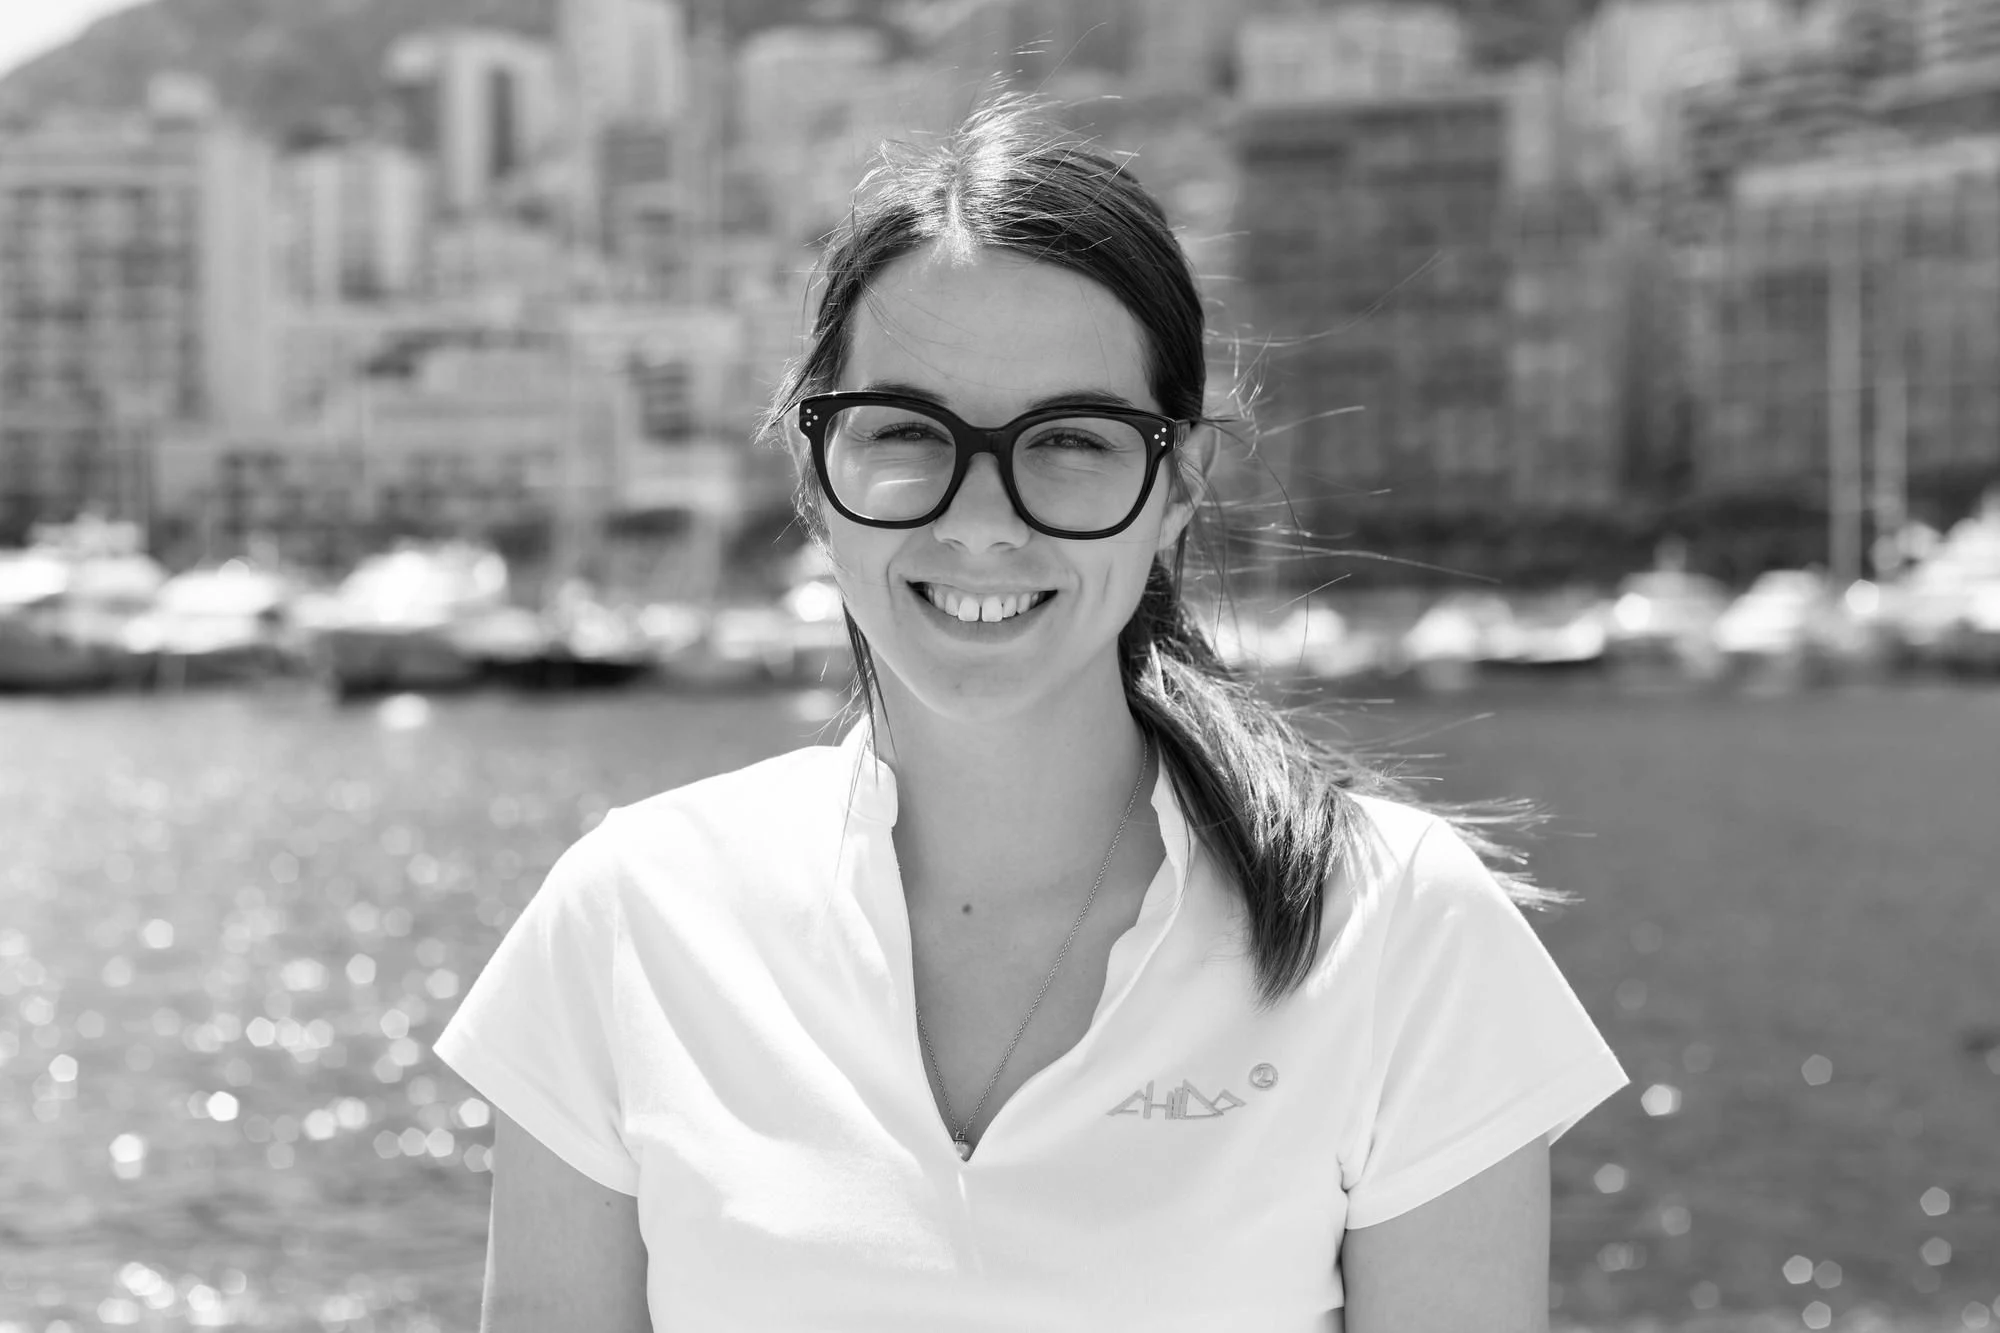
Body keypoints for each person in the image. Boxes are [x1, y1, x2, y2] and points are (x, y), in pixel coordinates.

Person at [435, 97, 1629, 1332]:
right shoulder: (631, 915)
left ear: (1176, 485)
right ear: (813, 470)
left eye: (1068, 440)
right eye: (908, 431)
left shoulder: (1396, 927)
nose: (981, 522)